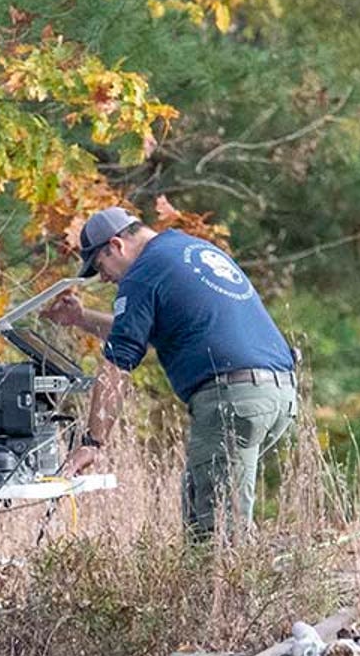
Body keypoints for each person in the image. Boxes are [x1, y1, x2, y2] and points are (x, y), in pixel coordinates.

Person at [46, 206, 298, 539]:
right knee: (204, 505)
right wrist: (80, 319)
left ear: (117, 245)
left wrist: (93, 442)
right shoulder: (187, 249)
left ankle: (232, 586)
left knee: (215, 533)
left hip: (233, 400)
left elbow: (117, 362)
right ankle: (239, 571)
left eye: (99, 266)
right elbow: (138, 334)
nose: (104, 278)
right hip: (277, 395)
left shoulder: (143, 274)